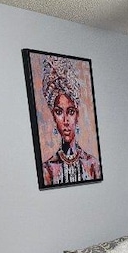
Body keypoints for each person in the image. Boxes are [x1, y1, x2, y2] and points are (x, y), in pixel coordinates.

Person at [40, 56, 101, 186]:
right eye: (59, 112)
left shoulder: (92, 163)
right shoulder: (48, 169)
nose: (66, 120)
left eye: (71, 112)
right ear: (53, 117)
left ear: (77, 115)